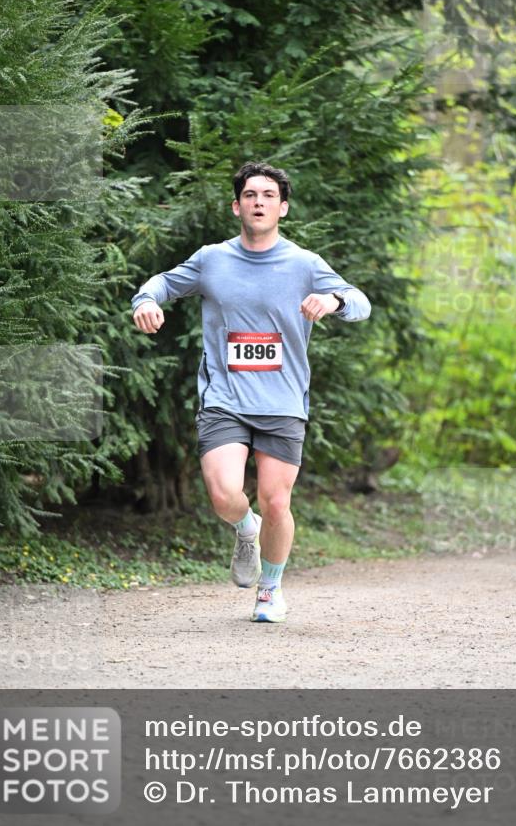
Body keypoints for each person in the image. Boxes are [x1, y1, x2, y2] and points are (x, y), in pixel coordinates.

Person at [131, 161, 371, 622]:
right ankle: (245, 531)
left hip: (282, 401)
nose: (258, 202)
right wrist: (144, 301)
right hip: (225, 397)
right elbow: (161, 283)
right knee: (224, 495)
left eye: (267, 195)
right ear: (236, 205)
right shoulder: (211, 259)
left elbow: (360, 303)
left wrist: (334, 300)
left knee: (276, 501)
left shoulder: (304, 264)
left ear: (283, 207)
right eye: (250, 195)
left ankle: (271, 587)